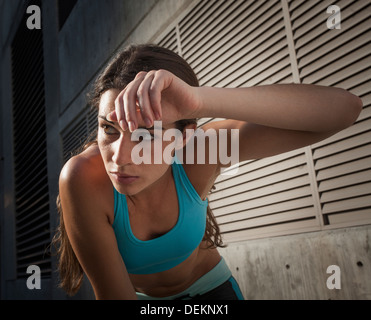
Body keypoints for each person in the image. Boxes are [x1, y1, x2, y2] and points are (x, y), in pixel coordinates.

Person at [54, 44, 362, 300]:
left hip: (213, 294)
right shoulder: (82, 177)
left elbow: (345, 110)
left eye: (146, 134)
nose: (119, 158)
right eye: (109, 129)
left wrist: (200, 101)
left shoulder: (201, 152)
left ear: (183, 136)